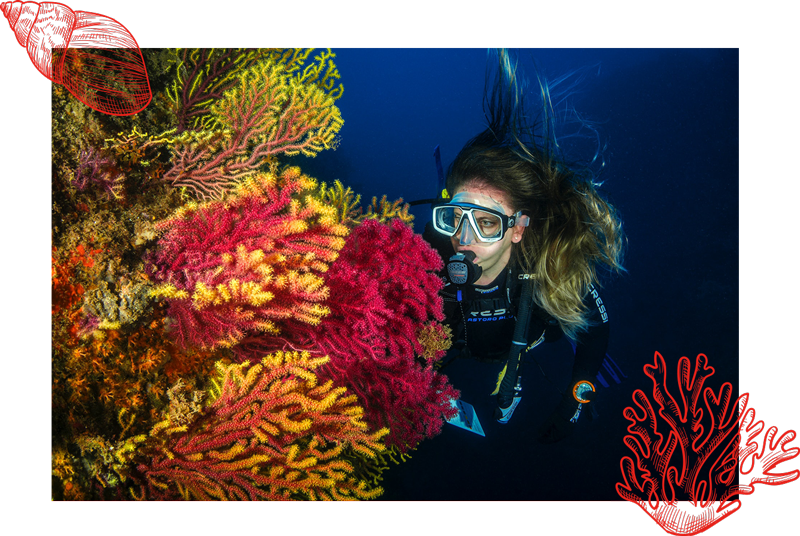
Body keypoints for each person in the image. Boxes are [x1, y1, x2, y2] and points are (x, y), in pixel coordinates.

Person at [422, 49, 626, 444]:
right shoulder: (425, 259)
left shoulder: (546, 265)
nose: (464, 239)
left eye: (486, 223)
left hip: (526, 341)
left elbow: (596, 331)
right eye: (453, 219)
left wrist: (578, 396)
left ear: (517, 229)